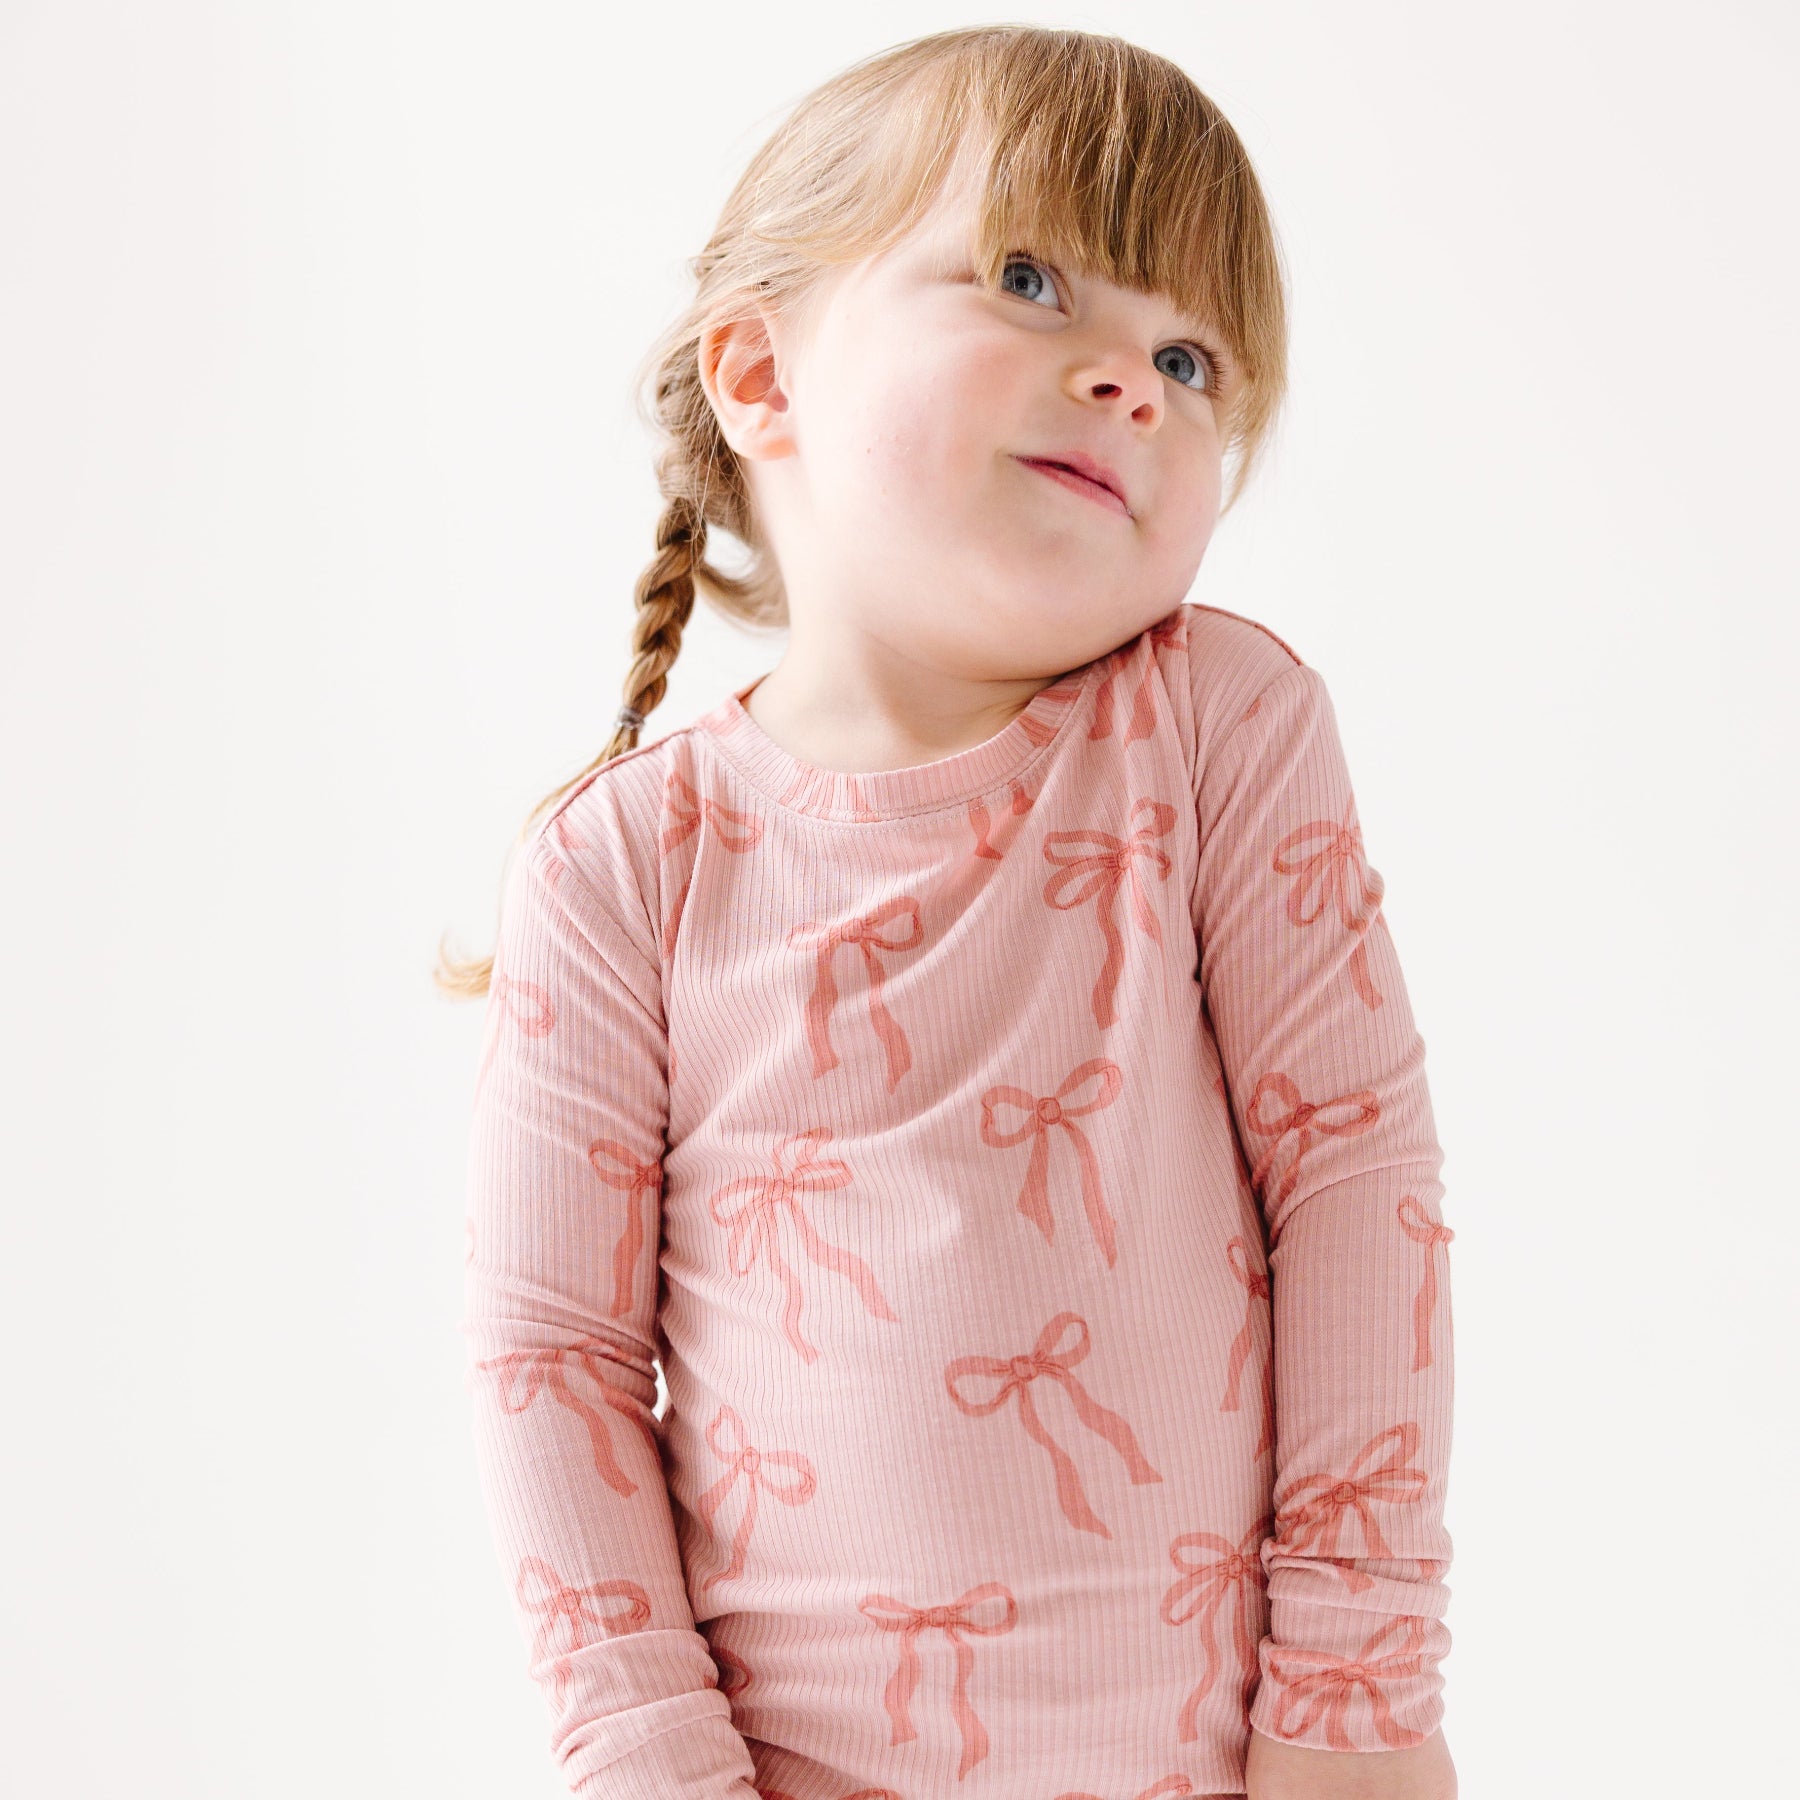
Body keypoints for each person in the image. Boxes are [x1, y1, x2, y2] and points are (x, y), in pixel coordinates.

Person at [437, 26, 1457, 1800]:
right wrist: (651, 1763)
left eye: (1191, 358)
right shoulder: (624, 868)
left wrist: (1353, 1696)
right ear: (762, 373)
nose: (1132, 382)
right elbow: (554, 1356)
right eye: (1031, 279)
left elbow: (1358, 1181)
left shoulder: (1218, 728)